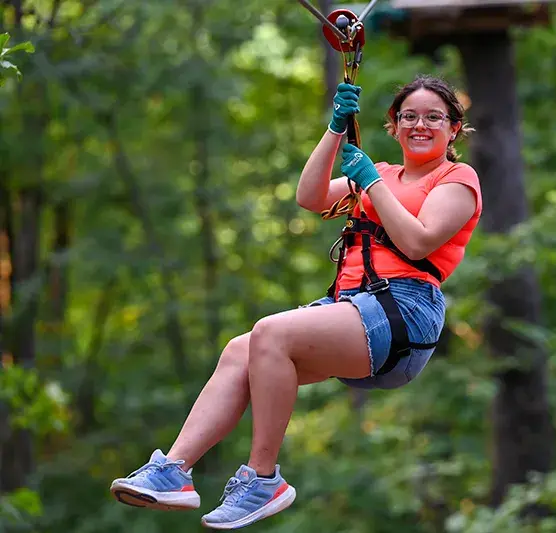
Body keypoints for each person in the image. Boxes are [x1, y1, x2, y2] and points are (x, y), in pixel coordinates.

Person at [108, 74, 483, 530]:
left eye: (433, 117)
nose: (419, 125)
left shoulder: (457, 179)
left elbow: (419, 241)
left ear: (453, 128)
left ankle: (262, 478)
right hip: (354, 307)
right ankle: (174, 470)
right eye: (409, 116)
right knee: (241, 350)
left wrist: (369, 182)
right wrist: (336, 130)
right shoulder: (383, 173)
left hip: (404, 312)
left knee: (271, 332)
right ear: (394, 124)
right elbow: (309, 197)